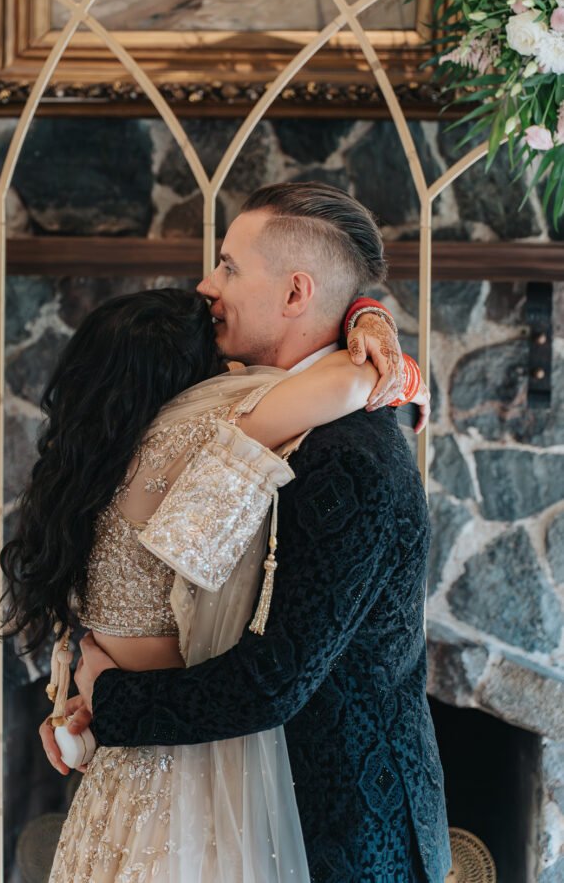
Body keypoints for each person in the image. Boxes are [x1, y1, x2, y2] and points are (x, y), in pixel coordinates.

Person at [60, 182, 451, 883]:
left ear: (296, 293)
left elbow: (272, 681)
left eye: (230, 266)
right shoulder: (246, 404)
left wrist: (107, 697)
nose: (207, 284)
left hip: (340, 831)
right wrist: (81, 686)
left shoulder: (346, 456)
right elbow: (148, 581)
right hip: (243, 810)